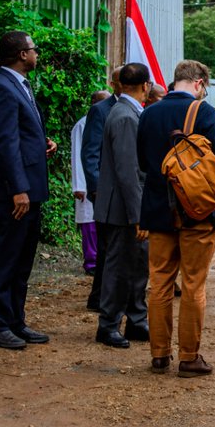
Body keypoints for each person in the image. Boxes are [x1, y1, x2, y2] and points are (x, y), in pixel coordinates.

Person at [137, 59, 215, 377]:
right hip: (197, 212)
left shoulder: (147, 113)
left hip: (157, 210)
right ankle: (189, 357)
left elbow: (142, 161)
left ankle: (160, 355)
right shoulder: (203, 112)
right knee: (193, 285)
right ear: (200, 83)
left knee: (159, 283)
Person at [0, 32, 58, 350]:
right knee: (4, 259)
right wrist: (18, 189)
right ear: (21, 55)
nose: (37, 53)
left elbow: (21, 136)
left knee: (22, 260)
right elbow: (4, 143)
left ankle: (15, 321)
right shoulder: (1, 88)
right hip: (11, 193)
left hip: (28, 188)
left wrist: (42, 144)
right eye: (33, 49)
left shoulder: (19, 86)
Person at [93, 63, 152, 348]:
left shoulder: (127, 112)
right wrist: (138, 214)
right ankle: (108, 324)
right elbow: (128, 171)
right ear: (146, 86)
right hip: (124, 208)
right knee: (119, 268)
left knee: (137, 265)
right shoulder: (126, 117)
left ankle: (137, 321)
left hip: (127, 205)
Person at [80, 66, 122, 310]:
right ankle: (98, 298)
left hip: (123, 189)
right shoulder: (100, 110)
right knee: (106, 246)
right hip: (105, 191)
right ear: (115, 83)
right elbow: (90, 153)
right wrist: (95, 189)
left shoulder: (136, 108)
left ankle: (106, 296)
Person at [72, 90, 112, 275]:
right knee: (88, 224)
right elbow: (80, 156)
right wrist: (79, 185)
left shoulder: (106, 122)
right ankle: (91, 262)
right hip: (86, 184)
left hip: (100, 182)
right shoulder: (81, 125)